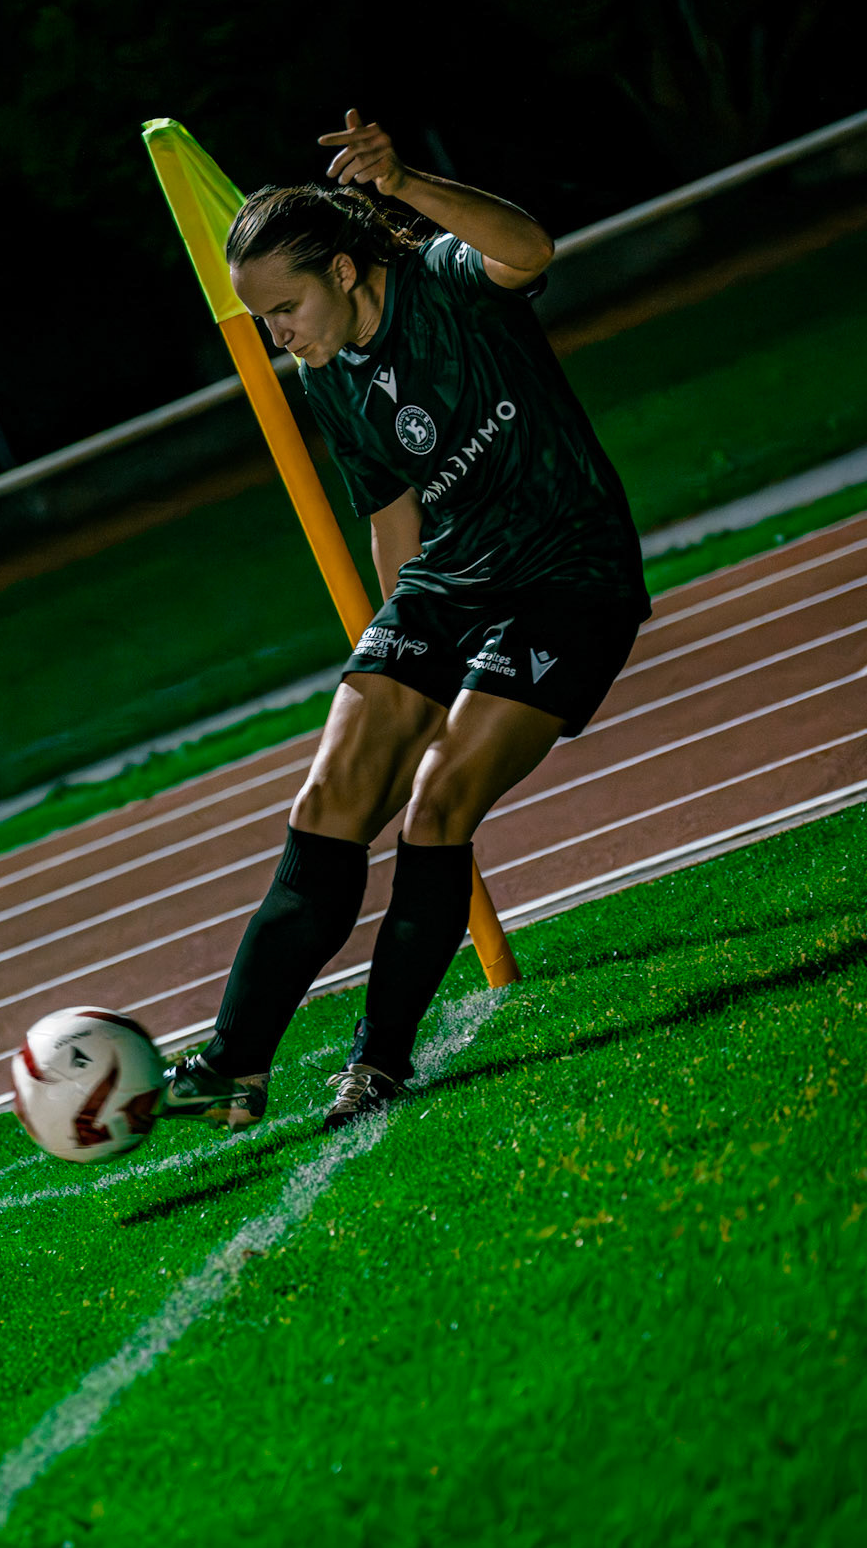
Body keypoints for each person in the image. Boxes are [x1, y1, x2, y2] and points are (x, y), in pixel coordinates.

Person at [160, 109, 650, 1131]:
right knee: (337, 780)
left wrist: (409, 178)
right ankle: (233, 1060)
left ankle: (378, 1061)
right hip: (449, 576)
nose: (280, 334)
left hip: (570, 571)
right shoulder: (326, 381)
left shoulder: (444, 282)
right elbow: (393, 520)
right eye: (265, 322)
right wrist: (399, 663)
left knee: (435, 801)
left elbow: (532, 248)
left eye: (286, 306)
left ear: (343, 268)